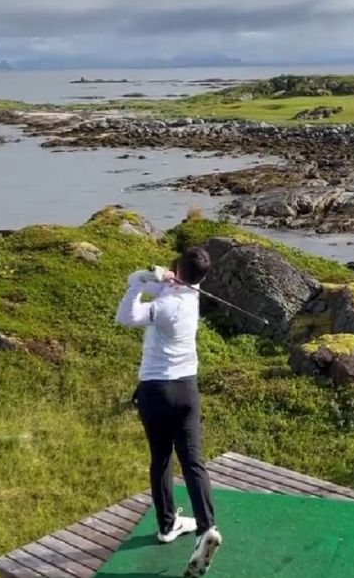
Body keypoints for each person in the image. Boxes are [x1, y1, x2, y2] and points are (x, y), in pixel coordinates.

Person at [115, 246, 222, 577]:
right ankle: (206, 528)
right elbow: (169, 282)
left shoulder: (164, 305)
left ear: (179, 268)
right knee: (192, 461)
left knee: (161, 457)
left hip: (155, 391)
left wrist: (139, 282)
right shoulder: (191, 293)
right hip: (186, 390)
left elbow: (126, 316)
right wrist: (160, 276)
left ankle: (166, 525)